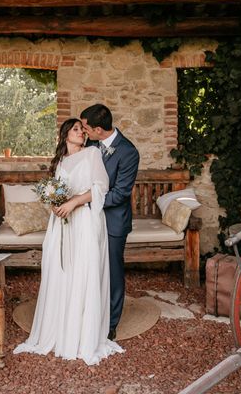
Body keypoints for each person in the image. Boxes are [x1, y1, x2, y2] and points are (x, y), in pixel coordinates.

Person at [13, 118, 123, 365]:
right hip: (62, 225)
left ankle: (81, 333)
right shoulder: (60, 162)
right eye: (76, 129)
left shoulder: (92, 154)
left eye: (82, 130)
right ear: (65, 135)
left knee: (83, 272)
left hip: (84, 220)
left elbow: (101, 188)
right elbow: (54, 191)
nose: (81, 133)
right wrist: (54, 204)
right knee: (62, 272)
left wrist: (73, 202)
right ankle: (61, 328)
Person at [80, 104, 140, 341]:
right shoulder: (91, 144)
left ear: (98, 129)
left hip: (113, 222)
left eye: (86, 128)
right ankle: (90, 313)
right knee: (90, 267)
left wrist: (84, 202)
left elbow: (120, 194)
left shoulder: (128, 152)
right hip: (88, 220)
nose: (83, 131)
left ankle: (111, 322)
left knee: (113, 272)